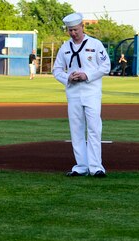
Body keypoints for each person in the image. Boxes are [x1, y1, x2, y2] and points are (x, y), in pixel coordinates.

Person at [52, 12, 111, 177]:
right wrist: (67, 78)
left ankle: (96, 167)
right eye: (70, 30)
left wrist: (88, 76)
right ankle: (81, 166)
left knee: (94, 129)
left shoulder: (95, 44)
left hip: (91, 92)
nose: (73, 33)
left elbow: (106, 66)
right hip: (73, 93)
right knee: (76, 130)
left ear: (82, 27)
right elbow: (56, 70)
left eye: (75, 30)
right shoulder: (65, 47)